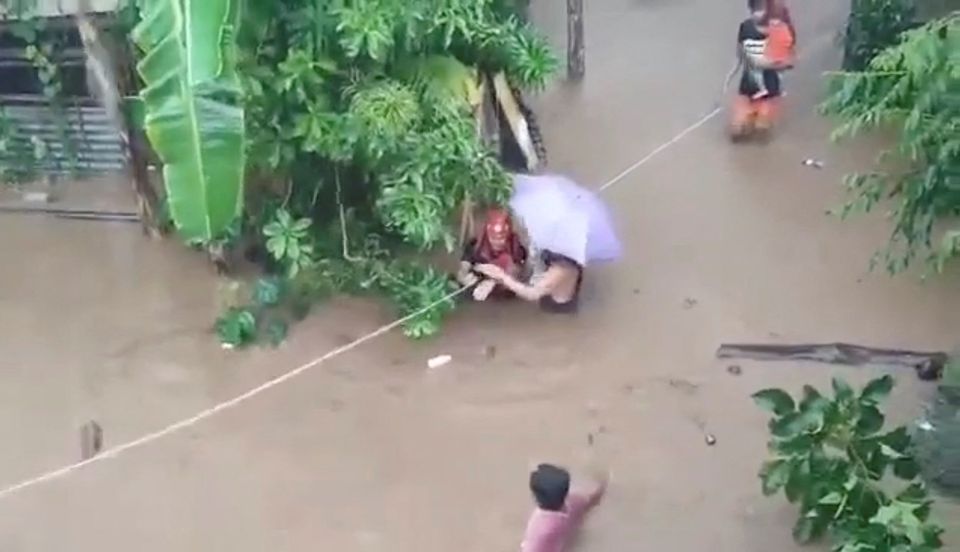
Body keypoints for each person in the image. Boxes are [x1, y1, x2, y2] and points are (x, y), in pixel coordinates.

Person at [721, 0, 795, 140]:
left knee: (762, 130)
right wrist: (729, 78)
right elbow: (740, 55)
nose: (758, 13)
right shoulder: (745, 27)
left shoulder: (781, 31)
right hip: (748, 86)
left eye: (762, 9)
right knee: (736, 132)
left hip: (769, 88)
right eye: (755, 9)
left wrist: (765, 64)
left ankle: (764, 116)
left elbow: (789, 63)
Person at [521, 463, 608, 552]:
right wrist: (603, 484)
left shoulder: (538, 524)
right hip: (567, 539)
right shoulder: (575, 503)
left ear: (535, 497)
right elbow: (592, 500)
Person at [475, 249, 583, 313]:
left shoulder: (562, 269)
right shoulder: (560, 256)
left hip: (558, 314)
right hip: (548, 299)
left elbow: (531, 293)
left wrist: (501, 276)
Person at [456, 208, 528, 301]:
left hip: (502, 290)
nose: (498, 243)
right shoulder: (475, 245)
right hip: (478, 285)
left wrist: (494, 281)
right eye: (493, 239)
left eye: (502, 239)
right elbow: (464, 267)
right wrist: (463, 276)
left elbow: (517, 273)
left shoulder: (516, 249)